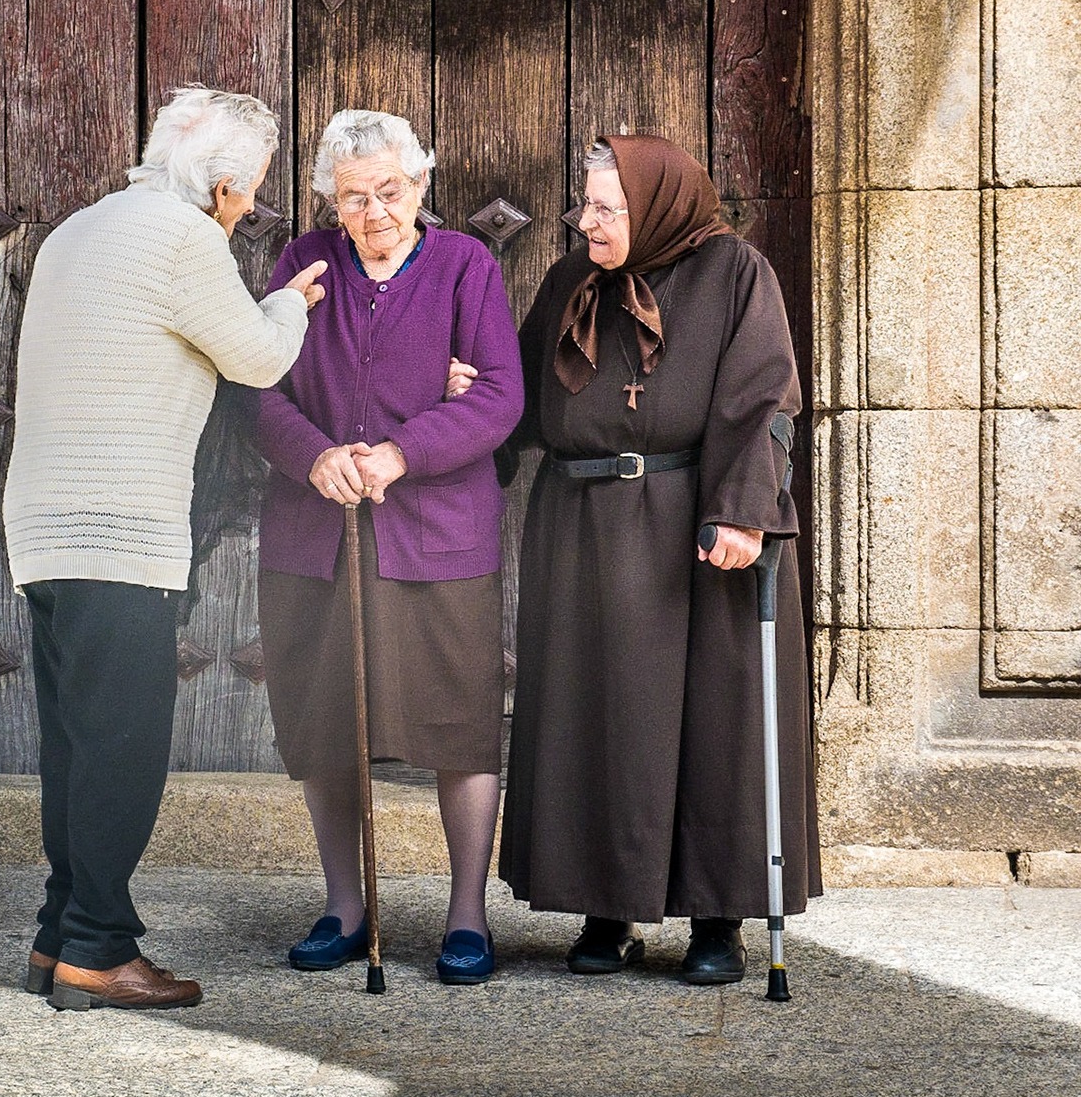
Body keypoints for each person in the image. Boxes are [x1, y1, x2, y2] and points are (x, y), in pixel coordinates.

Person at [2, 87, 328, 1011]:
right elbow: (259, 357)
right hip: (120, 533)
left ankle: (56, 936)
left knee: (74, 742)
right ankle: (99, 950)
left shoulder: (77, 228)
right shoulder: (184, 239)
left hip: (46, 529)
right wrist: (290, 303)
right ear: (224, 186)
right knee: (123, 747)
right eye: (251, 193)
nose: (248, 207)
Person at [494, 133, 820, 984]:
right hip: (582, 526)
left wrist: (744, 511)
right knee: (597, 718)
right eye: (586, 205)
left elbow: (765, 398)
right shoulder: (573, 280)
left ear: (659, 204)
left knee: (714, 724)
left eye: (607, 208)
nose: (587, 221)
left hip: (695, 523)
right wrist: (469, 405)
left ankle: (720, 919)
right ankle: (608, 907)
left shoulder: (736, 273)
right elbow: (518, 388)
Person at [255, 110, 522, 985]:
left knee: (460, 721)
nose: (373, 213)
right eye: (353, 197)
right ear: (332, 200)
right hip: (318, 532)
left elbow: (500, 398)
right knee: (327, 718)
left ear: (421, 187)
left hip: (439, 532)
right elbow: (258, 383)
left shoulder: (463, 266)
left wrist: (406, 451)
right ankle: (344, 904)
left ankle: (466, 916)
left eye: (390, 192)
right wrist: (316, 455)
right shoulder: (303, 263)